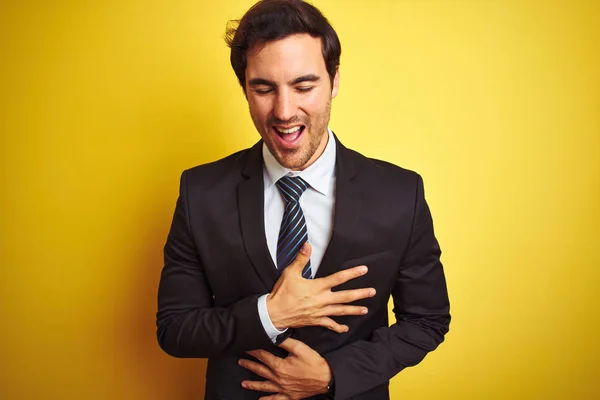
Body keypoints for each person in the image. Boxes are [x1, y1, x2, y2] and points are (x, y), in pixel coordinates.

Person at [156, 0, 450, 399]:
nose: (284, 110)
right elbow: (175, 329)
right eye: (263, 88)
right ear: (244, 87)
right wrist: (270, 314)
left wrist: (332, 375)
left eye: (304, 86)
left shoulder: (400, 193)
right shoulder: (201, 191)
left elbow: (427, 321)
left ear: (335, 81)